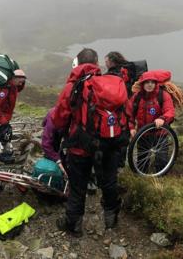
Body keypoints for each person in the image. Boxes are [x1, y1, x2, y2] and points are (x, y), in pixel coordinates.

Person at [52, 48, 128, 237]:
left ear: (77, 63)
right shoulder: (111, 84)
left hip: (80, 147)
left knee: (78, 186)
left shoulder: (74, 86)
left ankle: (74, 225)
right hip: (108, 144)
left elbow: (59, 119)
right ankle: (111, 220)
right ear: (96, 64)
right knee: (109, 182)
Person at [126, 70, 176, 173]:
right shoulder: (137, 97)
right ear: (142, 83)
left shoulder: (163, 95)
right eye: (147, 82)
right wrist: (131, 128)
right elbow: (129, 114)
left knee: (161, 161)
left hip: (160, 135)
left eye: (152, 82)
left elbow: (170, 111)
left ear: (156, 83)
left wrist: (162, 118)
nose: (150, 85)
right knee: (142, 162)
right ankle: (141, 179)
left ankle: (161, 181)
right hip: (142, 135)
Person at [0, 68, 27, 163]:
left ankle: (4, 150)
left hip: (5, 116)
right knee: (4, 135)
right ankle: (4, 156)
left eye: (23, 82)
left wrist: (22, 83)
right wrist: (2, 119)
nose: (21, 84)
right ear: (14, 78)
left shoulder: (13, 87)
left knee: (5, 134)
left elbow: (19, 88)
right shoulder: (4, 89)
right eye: (20, 81)